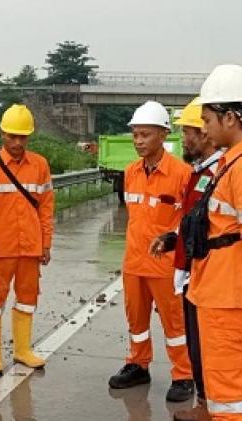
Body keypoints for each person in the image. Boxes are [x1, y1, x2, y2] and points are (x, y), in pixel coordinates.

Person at [180, 64, 242, 421]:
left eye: (207, 117)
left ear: (231, 117)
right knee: (227, 392)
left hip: (229, 296)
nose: (203, 126)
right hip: (218, 287)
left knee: (228, 395)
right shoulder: (231, 163)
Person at [108, 101, 194, 403]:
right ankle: (138, 363)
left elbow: (189, 221)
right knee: (136, 319)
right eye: (135, 135)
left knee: (175, 322)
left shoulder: (182, 174)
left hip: (165, 265)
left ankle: (183, 375)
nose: (138, 141)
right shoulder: (130, 172)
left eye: (145, 135)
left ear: (163, 135)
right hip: (134, 261)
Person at [150, 97, 223, 421]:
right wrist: (174, 240)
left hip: (209, 276)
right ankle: (205, 408)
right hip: (195, 273)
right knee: (197, 350)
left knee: (208, 353)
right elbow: (198, 224)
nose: (187, 139)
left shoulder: (216, 174)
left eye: (191, 132)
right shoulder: (202, 173)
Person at [0, 104, 54, 375]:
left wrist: (46, 244)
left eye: (23, 137)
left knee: (27, 298)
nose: (17, 142)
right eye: (12, 136)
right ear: (2, 134)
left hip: (30, 246)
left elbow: (46, 208)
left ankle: (22, 350)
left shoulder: (40, 165)